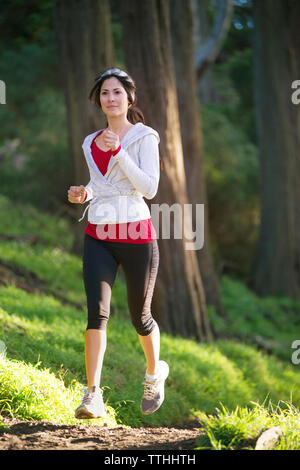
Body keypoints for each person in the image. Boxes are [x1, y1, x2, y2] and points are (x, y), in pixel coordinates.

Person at [67, 67, 169, 420]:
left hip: (136, 235)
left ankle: (155, 374)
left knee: (140, 317)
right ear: (99, 99)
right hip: (98, 235)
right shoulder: (89, 141)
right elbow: (103, 184)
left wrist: (120, 150)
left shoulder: (144, 137)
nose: (110, 98)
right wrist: (84, 193)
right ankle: (91, 394)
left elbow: (149, 188)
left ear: (129, 98)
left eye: (117, 93)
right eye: (105, 93)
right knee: (97, 314)